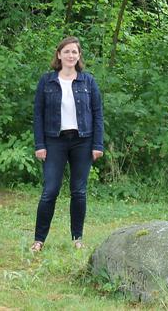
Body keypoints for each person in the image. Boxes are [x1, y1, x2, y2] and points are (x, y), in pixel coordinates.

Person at [31, 36, 104, 252]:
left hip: (83, 140)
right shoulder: (47, 81)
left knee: (78, 191)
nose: (71, 55)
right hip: (54, 141)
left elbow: (98, 113)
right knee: (50, 190)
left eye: (74, 52)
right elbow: (38, 115)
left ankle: (77, 238)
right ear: (59, 54)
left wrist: (97, 144)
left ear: (79, 56)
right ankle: (39, 240)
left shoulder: (88, 81)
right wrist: (39, 144)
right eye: (67, 51)